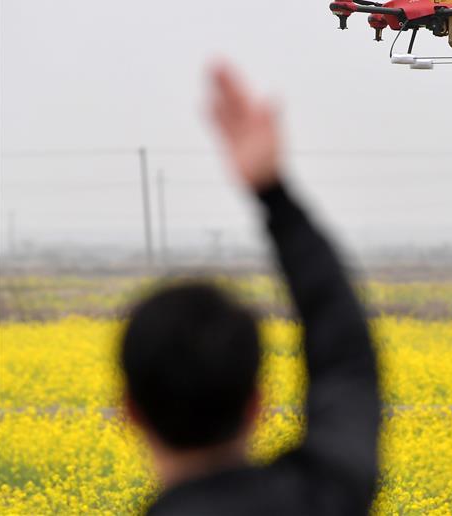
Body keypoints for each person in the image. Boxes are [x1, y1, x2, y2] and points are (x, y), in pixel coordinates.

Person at [120, 63, 381, 515]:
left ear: (130, 413)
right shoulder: (325, 496)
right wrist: (273, 194)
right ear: (258, 402)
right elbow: (346, 364)